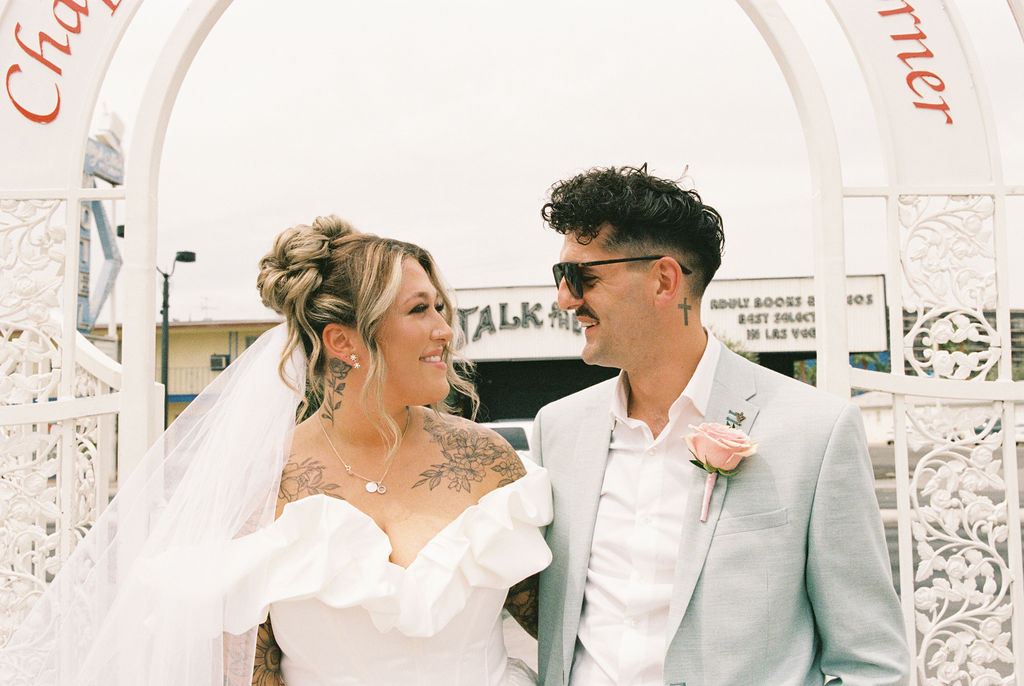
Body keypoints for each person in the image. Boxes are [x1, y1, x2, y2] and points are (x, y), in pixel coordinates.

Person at [0, 216, 551, 686]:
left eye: (440, 307)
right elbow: (254, 669)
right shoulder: (262, 482)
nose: (444, 330)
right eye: (419, 311)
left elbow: (558, 625)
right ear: (343, 341)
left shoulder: (489, 463)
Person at [529, 166, 910, 685]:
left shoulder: (814, 431)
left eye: (582, 278)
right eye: (562, 278)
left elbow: (869, 659)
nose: (565, 300)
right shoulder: (558, 428)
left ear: (664, 280)